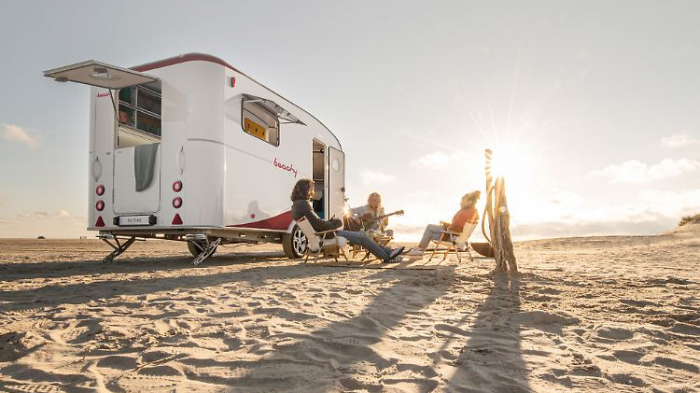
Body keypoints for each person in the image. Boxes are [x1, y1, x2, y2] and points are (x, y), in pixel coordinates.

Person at [290, 179, 404, 263]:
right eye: (311, 188)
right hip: (327, 234)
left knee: (362, 236)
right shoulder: (304, 204)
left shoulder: (297, 204)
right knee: (362, 236)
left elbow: (316, 223)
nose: (313, 191)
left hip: (323, 233)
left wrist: (330, 221)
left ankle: (389, 252)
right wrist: (336, 223)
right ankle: (388, 257)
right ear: (306, 189)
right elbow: (319, 224)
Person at [407, 190, 481, 257]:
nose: (460, 203)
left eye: (463, 201)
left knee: (429, 227)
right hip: (458, 239)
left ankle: (420, 250)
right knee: (430, 233)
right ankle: (420, 250)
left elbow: (456, 228)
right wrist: (446, 224)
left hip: (452, 238)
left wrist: (445, 225)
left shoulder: (466, 213)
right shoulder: (472, 212)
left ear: (470, 202)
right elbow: (460, 227)